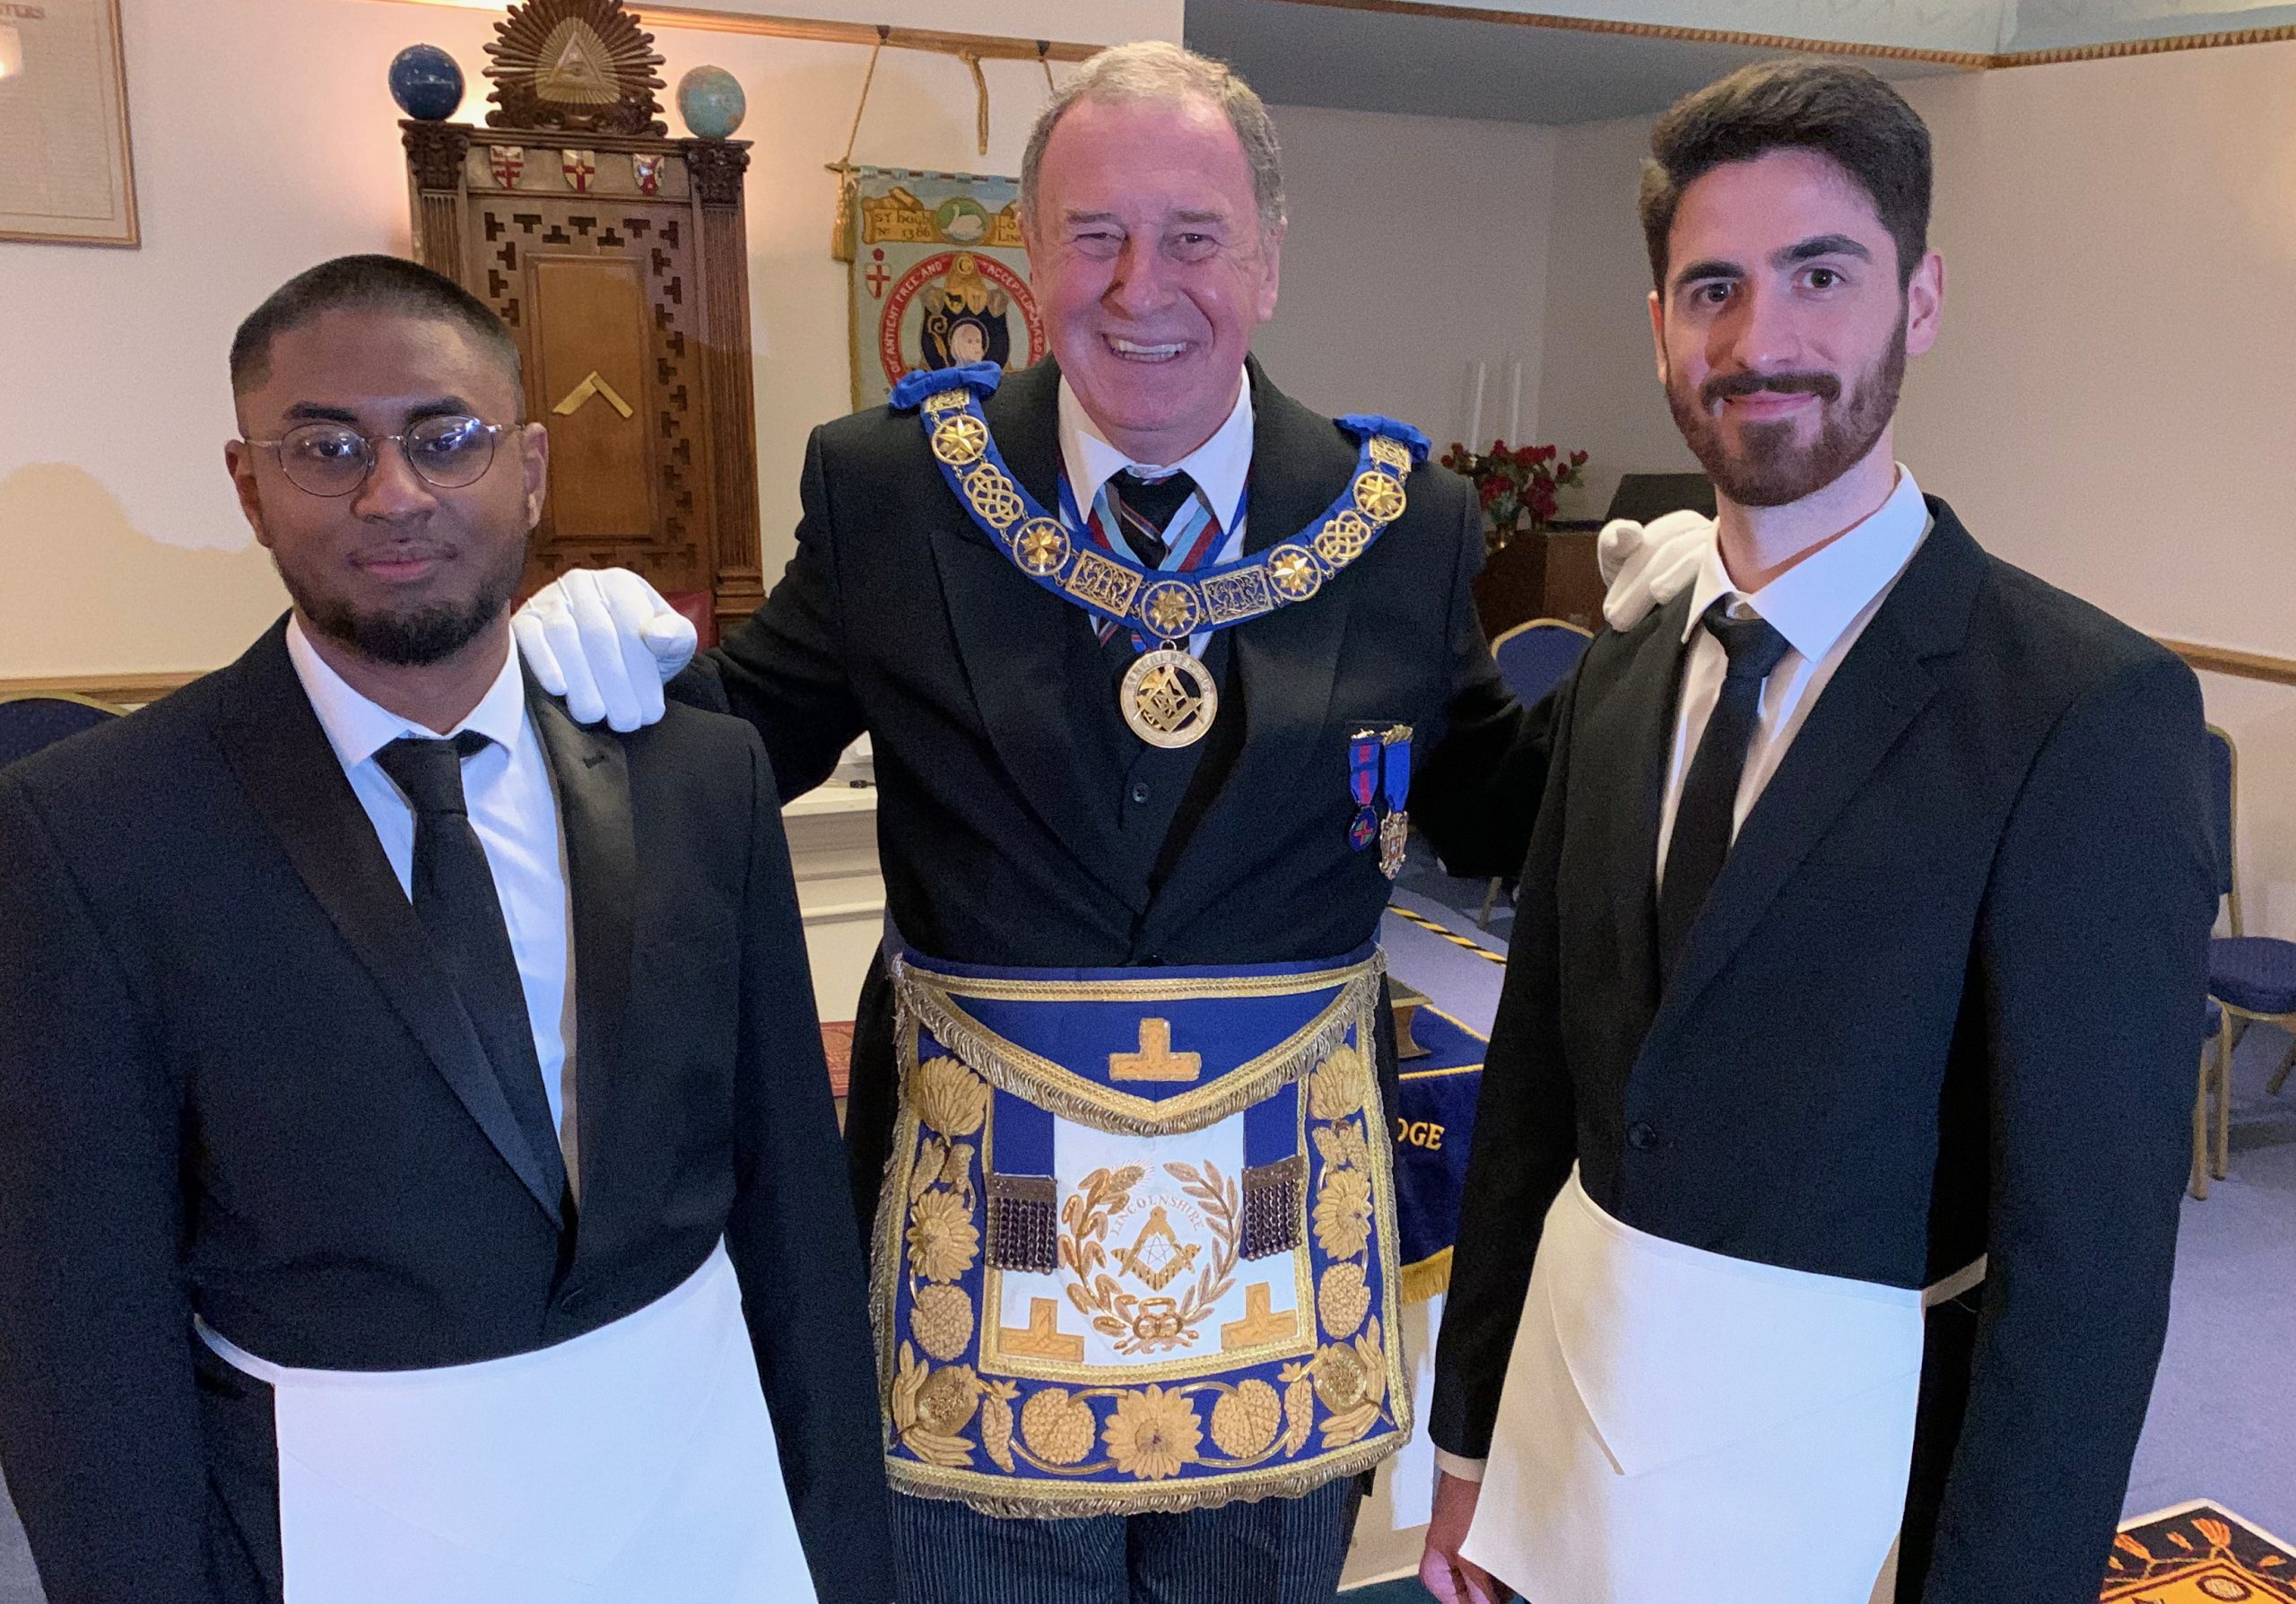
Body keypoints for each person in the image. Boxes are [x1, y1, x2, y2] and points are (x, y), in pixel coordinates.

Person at [513, 41, 1700, 1604]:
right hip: (981, 1248)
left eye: (1195, 236)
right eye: (1095, 235)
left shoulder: (1404, 519)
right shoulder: (893, 491)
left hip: (1278, 1242)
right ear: (1029, 254)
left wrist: (1672, 658)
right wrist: (574, 678)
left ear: (1267, 260)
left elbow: (1489, 805)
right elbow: (736, 752)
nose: (1144, 287)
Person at [1421, 59, 2214, 1604]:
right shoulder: (1622, 672)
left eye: (1822, 275)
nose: (1758, 341)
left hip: (1862, 1491)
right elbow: (1532, 1093)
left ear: (1920, 300)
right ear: (1658, 323)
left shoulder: (2081, 709)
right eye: (1710, 287)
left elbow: (2089, 1274)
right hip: (1579, 1453)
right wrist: (1473, 1449)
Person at [0, 256, 889, 1604]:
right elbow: (81, 1329)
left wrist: (842, 1552)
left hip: (698, 1480)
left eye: (445, 437)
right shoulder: (94, 830)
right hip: (342, 1516)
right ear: (248, 484)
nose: (393, 492)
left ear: (527, 468)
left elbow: (790, 1215)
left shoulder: (700, 778)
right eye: (326, 448)